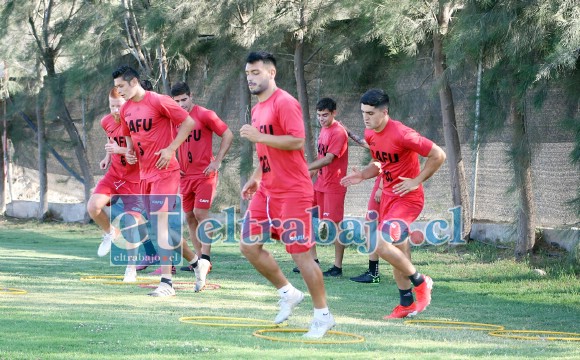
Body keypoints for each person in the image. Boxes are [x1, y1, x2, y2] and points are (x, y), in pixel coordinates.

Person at [239, 51, 335, 339]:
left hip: (293, 192)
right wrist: (256, 178)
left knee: (301, 256)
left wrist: (259, 137)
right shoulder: (257, 109)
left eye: (256, 72)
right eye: (247, 74)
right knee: (248, 245)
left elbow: (296, 140)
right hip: (267, 190)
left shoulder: (285, 102)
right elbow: (264, 150)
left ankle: (323, 315)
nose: (251, 78)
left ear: (271, 73)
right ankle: (288, 292)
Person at [341, 88, 445, 319]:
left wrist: (417, 181)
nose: (365, 117)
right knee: (399, 254)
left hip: (407, 200)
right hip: (387, 198)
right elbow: (380, 162)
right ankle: (406, 303)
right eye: (362, 113)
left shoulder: (402, 133)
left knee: (376, 241)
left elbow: (438, 154)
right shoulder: (370, 134)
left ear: (384, 112)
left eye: (370, 113)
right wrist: (365, 175)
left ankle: (421, 282)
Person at [113, 65, 198, 297]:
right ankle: (196, 262)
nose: (118, 91)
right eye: (116, 87)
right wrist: (129, 151)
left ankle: (166, 283)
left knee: (160, 225)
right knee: (160, 229)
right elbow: (129, 134)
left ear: (134, 82)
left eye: (121, 86)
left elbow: (189, 122)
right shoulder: (126, 109)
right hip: (145, 174)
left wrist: (171, 149)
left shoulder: (159, 101)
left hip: (166, 171)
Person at [170, 82, 234, 282]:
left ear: (192, 96)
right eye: (177, 101)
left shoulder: (205, 114)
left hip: (205, 174)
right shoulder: (173, 119)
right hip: (184, 176)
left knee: (200, 213)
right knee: (189, 216)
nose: (181, 104)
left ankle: (206, 258)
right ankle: (197, 261)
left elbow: (228, 134)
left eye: (184, 99)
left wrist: (217, 161)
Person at [87, 87, 145, 283]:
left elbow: (138, 152)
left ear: (127, 104)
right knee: (93, 207)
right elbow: (110, 139)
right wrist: (107, 157)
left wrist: (118, 149)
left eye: (118, 106)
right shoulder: (106, 121)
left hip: (135, 179)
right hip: (114, 175)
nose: (114, 110)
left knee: (130, 224)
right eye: (111, 106)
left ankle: (131, 269)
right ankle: (110, 232)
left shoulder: (136, 122)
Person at [292, 98, 348, 277]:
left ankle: (337, 267)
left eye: (325, 115)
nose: (321, 119)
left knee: (336, 226)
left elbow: (329, 158)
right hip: (320, 184)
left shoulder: (339, 132)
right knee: (306, 216)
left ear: (334, 113)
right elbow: (321, 155)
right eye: (318, 115)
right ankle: (313, 260)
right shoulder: (324, 130)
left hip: (334, 185)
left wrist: (304, 167)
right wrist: (311, 175)